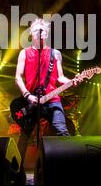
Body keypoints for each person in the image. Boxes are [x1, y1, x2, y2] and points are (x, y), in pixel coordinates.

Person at [14, 18, 82, 166]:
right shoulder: (24, 53)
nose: (40, 34)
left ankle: (67, 167)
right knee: (24, 135)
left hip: (52, 100)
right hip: (31, 100)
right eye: (37, 31)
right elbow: (18, 77)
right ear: (31, 33)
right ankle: (16, 170)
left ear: (47, 34)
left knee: (63, 131)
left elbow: (61, 77)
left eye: (43, 31)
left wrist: (72, 81)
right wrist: (28, 95)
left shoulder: (55, 54)